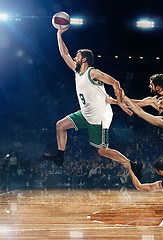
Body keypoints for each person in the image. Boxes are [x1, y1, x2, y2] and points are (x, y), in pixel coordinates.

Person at [42, 27, 142, 179]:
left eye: (78, 55)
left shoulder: (92, 72)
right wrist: (59, 33)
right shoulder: (77, 71)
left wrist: (121, 103)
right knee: (60, 126)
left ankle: (132, 164)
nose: (75, 56)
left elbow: (115, 83)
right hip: (86, 113)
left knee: (102, 150)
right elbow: (64, 53)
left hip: (99, 116)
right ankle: (59, 156)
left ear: (84, 59)